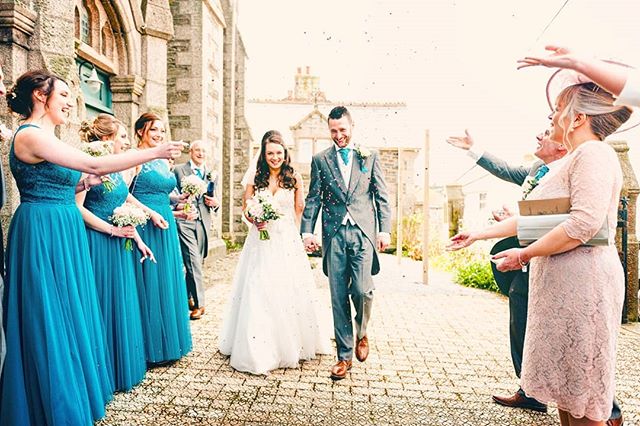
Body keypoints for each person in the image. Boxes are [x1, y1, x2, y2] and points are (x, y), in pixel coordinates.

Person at [0, 70, 182, 424]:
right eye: (65, 95)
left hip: (64, 226)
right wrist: (152, 152)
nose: (70, 102)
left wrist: (85, 180)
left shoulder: (47, 137)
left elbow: (79, 175)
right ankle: (47, 405)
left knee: (70, 310)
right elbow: (94, 161)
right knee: (48, 313)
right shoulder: (29, 135)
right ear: (40, 95)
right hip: (42, 230)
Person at [448, 82, 632, 426]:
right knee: (567, 393)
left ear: (577, 118)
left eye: (559, 107)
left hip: (585, 286)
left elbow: (583, 224)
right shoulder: (573, 158)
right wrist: (478, 234)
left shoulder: (594, 154)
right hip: (563, 288)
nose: (552, 115)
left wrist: (524, 254)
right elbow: (537, 219)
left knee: (583, 396)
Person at [446, 129, 567, 414]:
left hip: (551, 258)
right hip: (529, 259)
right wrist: (473, 149)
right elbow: (507, 171)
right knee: (520, 311)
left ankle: (601, 406)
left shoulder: (567, 172)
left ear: (563, 147)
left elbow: (565, 221)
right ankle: (529, 388)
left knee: (552, 329)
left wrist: (518, 225)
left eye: (548, 132)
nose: (538, 135)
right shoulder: (539, 169)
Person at [218, 130, 331, 375]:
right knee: (258, 287)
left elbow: (301, 211)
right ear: (263, 153)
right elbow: (246, 208)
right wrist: (254, 218)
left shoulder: (295, 178)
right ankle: (258, 348)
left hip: (286, 240)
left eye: (279, 153)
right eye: (270, 153)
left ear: (285, 153)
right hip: (260, 240)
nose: (275, 157)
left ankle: (289, 344)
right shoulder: (255, 177)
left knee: (287, 288)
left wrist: (307, 237)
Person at [301, 106, 392, 380]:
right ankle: (344, 356)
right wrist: (307, 231)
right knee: (338, 296)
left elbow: (382, 196)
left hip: (363, 233)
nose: (338, 135)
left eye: (342, 130)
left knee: (363, 291)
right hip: (334, 236)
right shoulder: (320, 160)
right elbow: (313, 198)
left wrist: (384, 230)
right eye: (333, 131)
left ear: (352, 127)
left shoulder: (369, 156)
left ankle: (362, 332)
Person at [76, 114, 154, 391]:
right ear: (108, 140)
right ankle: (102, 374)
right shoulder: (88, 165)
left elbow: (122, 200)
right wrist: (111, 230)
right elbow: (78, 208)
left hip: (120, 243)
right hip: (98, 242)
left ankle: (121, 370)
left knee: (120, 302)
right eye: (122, 137)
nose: (125, 142)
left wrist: (138, 237)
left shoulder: (117, 169)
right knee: (102, 305)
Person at [130, 112, 192, 365]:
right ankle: (148, 348)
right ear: (140, 131)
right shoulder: (135, 158)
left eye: (162, 131)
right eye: (154, 130)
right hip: (144, 224)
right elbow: (125, 193)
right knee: (149, 282)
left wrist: (178, 200)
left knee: (167, 279)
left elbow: (161, 192)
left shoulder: (163, 161)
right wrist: (150, 212)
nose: (159, 135)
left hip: (164, 222)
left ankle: (167, 344)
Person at [173, 140, 219, 320]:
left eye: (204, 150)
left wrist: (216, 204)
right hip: (185, 220)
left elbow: (213, 198)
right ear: (191, 152)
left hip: (203, 221)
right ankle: (200, 304)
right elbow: (172, 195)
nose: (201, 153)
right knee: (193, 260)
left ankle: (186, 298)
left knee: (197, 260)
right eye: (197, 150)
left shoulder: (211, 173)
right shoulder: (178, 170)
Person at [518, 45, 640, 108]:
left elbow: (634, 89)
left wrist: (578, 63)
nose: (551, 117)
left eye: (559, 108)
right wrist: (578, 63)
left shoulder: (592, 150)